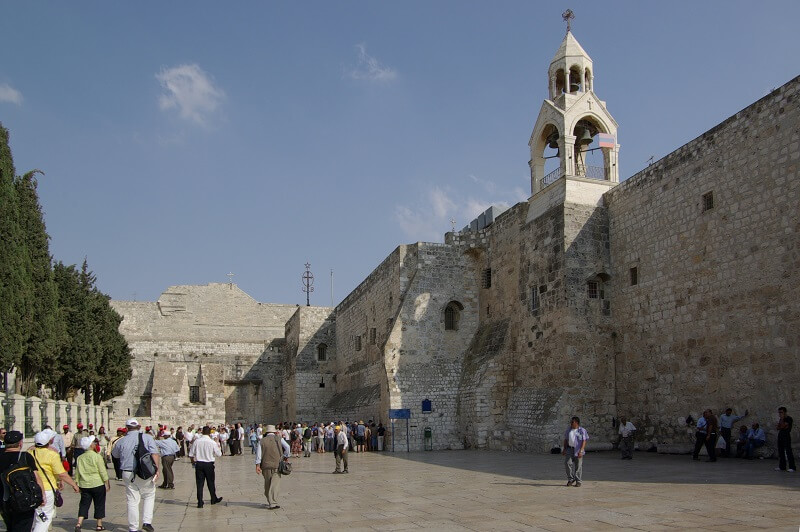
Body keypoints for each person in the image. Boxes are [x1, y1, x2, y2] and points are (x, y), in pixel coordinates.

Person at [111, 418, 161, 532]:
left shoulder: (121, 441)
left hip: (128, 472)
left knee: (132, 500)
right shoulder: (147, 437)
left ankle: (133, 528)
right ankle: (147, 522)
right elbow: (155, 453)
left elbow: (115, 455)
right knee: (149, 495)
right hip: (145, 472)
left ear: (126, 428)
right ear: (139, 427)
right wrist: (156, 470)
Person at [28, 429, 79, 532]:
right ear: (48, 442)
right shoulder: (51, 454)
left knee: (39, 516)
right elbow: (61, 473)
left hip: (32, 488)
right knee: (44, 519)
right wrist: (74, 484)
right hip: (46, 489)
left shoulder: (29, 453)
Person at [0, 430, 46, 532]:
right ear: (20, 443)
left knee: (11, 526)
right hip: (25, 499)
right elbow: (36, 477)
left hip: (4, 500)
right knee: (23, 527)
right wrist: (42, 495)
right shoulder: (26, 456)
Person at [75, 435, 110, 531]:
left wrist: (76, 483)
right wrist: (107, 482)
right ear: (91, 445)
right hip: (97, 483)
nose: (95, 444)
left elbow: (77, 472)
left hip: (84, 485)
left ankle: (79, 523)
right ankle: (99, 525)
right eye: (93, 443)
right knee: (99, 503)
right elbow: (102, 471)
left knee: (84, 504)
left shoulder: (79, 458)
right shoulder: (97, 457)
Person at [255, 425, 290, 510]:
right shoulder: (279, 438)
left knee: (267, 484)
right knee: (275, 484)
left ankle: (270, 500)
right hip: (276, 465)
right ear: (274, 432)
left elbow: (258, 454)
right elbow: (287, 447)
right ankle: (273, 503)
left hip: (265, 465)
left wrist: (257, 465)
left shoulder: (262, 441)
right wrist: (286, 456)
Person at [189, 426, 222, 508]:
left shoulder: (197, 441)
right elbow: (219, 454)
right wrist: (218, 445)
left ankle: (200, 502)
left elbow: (190, 454)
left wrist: (193, 463)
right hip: (209, 464)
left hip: (199, 464)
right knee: (211, 482)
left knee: (199, 484)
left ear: (202, 432)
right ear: (210, 433)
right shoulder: (212, 442)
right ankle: (213, 499)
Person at [562, 416, 589, 487]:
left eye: (572, 422)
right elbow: (566, 439)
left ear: (576, 422)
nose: (571, 423)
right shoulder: (568, 430)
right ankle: (570, 479)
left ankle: (578, 481)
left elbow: (584, 441)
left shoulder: (582, 430)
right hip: (569, 449)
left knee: (578, 466)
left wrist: (581, 450)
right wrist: (564, 449)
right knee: (567, 463)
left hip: (578, 449)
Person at [775, 406, 795, 472]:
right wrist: (781, 425)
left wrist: (782, 421)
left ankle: (792, 467)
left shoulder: (788, 418)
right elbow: (778, 427)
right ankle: (782, 466)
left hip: (786, 436)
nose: (780, 414)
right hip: (780, 436)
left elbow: (783, 426)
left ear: (785, 412)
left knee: (788, 451)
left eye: (781, 412)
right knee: (781, 451)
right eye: (779, 412)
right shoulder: (781, 419)